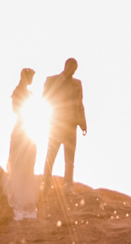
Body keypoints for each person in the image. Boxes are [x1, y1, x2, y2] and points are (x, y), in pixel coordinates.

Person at [41, 57, 86, 186]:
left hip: (71, 126)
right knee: (51, 156)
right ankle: (46, 183)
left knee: (70, 160)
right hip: (56, 124)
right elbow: (45, 97)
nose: (74, 72)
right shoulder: (52, 80)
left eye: (76, 70)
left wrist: (83, 123)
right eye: (73, 69)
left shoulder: (77, 84)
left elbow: (80, 104)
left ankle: (68, 187)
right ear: (67, 66)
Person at [5, 68, 39, 221]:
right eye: (31, 77)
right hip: (21, 128)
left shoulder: (28, 93)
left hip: (27, 128)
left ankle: (27, 207)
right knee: (19, 164)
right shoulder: (18, 91)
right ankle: (19, 206)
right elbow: (16, 109)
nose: (32, 80)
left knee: (28, 165)